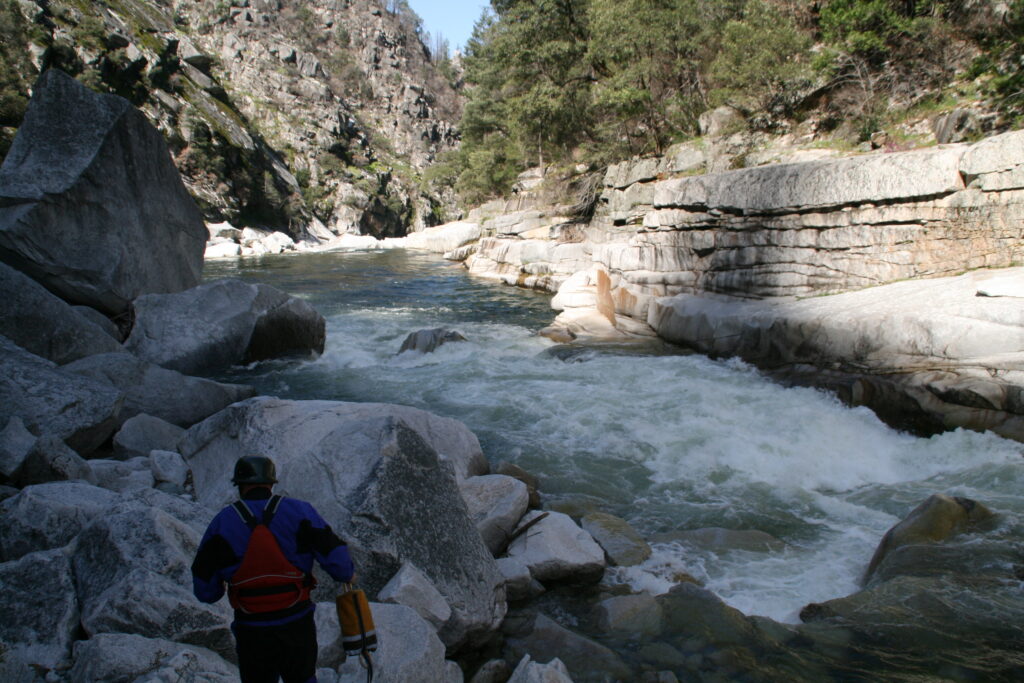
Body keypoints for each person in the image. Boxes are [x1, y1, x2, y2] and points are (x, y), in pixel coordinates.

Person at [192, 455, 355, 683]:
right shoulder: (300, 511)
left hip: (251, 627)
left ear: (240, 486)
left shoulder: (222, 522)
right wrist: (347, 574)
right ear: (271, 483)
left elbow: (205, 592)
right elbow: (338, 562)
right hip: (297, 621)